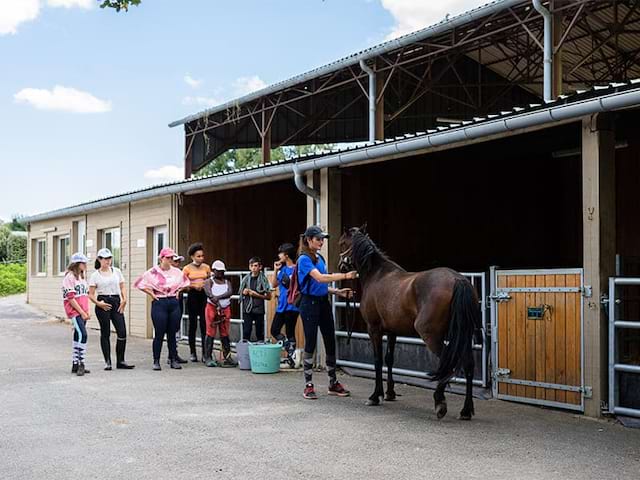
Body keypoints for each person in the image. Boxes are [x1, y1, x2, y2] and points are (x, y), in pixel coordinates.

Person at [297, 226, 357, 400]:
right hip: (309, 303)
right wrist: (345, 277)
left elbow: (321, 284)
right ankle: (308, 385)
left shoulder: (320, 258)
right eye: (318, 239)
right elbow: (320, 278)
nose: (321, 241)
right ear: (309, 240)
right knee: (310, 343)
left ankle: (333, 382)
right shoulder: (304, 259)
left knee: (330, 341)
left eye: (322, 239)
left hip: (323, 302)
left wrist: (337, 292)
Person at [134, 247, 190, 371]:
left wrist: (179, 290)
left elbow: (186, 283)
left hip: (173, 301)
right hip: (160, 301)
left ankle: (173, 358)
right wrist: (151, 293)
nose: (170, 260)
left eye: (171, 258)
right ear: (161, 258)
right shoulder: (152, 272)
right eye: (168, 257)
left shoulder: (177, 272)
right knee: (159, 333)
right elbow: (140, 284)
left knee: (172, 332)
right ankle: (156, 360)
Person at [88, 248, 134, 371]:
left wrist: (124, 299)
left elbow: (122, 286)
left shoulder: (117, 271)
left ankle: (121, 360)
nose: (108, 261)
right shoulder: (95, 275)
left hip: (116, 300)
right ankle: (107, 361)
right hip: (103, 300)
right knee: (105, 332)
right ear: (99, 259)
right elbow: (91, 294)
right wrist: (99, 303)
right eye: (105, 258)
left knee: (122, 331)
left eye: (109, 258)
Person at [269, 243, 299, 367]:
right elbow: (274, 284)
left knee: (290, 331)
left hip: (293, 305)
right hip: (282, 304)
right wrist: (275, 270)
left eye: (280, 253)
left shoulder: (297, 268)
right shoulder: (282, 269)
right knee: (274, 330)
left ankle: (291, 359)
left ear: (286, 256)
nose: (278, 255)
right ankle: (291, 351)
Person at [62, 252, 91, 376]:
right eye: (83, 263)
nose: (85, 265)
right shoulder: (69, 277)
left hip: (83, 310)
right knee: (83, 335)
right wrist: (81, 312)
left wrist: (87, 311)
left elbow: (85, 295)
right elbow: (71, 298)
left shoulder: (82, 277)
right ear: (76, 264)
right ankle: (81, 363)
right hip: (75, 312)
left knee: (77, 336)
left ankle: (75, 363)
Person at [203, 260, 235, 367]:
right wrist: (214, 299)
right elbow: (208, 292)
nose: (221, 273)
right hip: (212, 307)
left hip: (225, 308)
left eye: (222, 271)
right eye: (219, 271)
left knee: (225, 332)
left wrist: (218, 298)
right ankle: (207, 357)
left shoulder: (227, 282)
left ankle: (227, 357)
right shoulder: (209, 281)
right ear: (214, 271)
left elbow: (230, 292)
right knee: (210, 332)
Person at [182, 243, 211, 362]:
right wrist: (193, 286)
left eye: (202, 256)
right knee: (193, 324)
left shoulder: (206, 267)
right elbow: (183, 283)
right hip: (192, 295)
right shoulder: (187, 268)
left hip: (203, 296)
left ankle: (205, 353)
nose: (201, 258)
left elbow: (210, 280)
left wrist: (204, 285)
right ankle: (193, 352)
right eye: (198, 256)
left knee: (204, 323)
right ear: (192, 257)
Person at [239, 257, 271, 342]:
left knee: (259, 333)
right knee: (246, 332)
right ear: (249, 267)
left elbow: (269, 296)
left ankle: (259, 352)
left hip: (258, 309)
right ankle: (245, 353)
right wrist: (243, 292)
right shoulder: (245, 279)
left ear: (260, 267)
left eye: (256, 265)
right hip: (247, 309)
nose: (253, 268)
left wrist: (256, 295)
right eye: (251, 266)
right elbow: (240, 292)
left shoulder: (263, 280)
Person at [168, 253, 188, 364]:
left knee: (176, 328)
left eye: (178, 261)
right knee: (171, 328)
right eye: (176, 261)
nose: (178, 264)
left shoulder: (179, 274)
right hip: (169, 302)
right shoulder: (166, 274)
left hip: (178, 302)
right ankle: (171, 355)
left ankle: (174, 353)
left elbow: (185, 285)